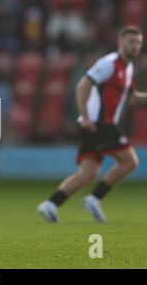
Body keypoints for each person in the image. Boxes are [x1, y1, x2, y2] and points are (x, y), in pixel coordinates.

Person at [38, 25, 147, 223]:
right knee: (130, 161)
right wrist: (86, 117)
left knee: (88, 173)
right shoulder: (109, 63)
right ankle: (95, 198)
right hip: (99, 123)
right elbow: (82, 85)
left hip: (99, 124)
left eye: (138, 43)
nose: (135, 46)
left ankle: (51, 204)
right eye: (131, 41)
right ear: (120, 42)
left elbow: (131, 98)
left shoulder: (129, 68)